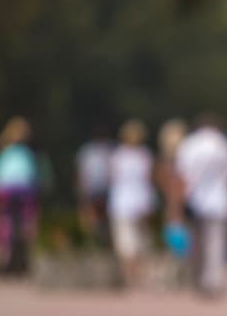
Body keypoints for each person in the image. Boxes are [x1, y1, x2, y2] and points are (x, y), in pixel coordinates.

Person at [176, 113, 227, 296]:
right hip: (220, 199)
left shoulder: (189, 144)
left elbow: (183, 175)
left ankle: (197, 277)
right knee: (216, 242)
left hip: (195, 199)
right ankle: (213, 279)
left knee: (196, 242)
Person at [0, 117, 41, 273]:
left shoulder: (3, 152)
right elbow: (34, 176)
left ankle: (3, 251)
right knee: (28, 221)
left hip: (5, 190)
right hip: (24, 189)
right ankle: (29, 252)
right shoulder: (27, 154)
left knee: (5, 219)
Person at [108, 119, 156, 287]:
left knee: (127, 241)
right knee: (137, 240)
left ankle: (130, 275)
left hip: (124, 202)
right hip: (138, 201)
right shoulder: (144, 155)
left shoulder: (118, 156)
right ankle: (134, 274)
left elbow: (112, 178)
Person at [156, 119, 191, 287]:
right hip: (178, 207)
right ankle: (174, 276)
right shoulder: (170, 165)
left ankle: (176, 276)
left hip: (177, 207)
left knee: (178, 245)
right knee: (178, 245)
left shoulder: (169, 164)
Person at [74, 128, 113, 247]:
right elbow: (81, 172)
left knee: (104, 216)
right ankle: (96, 240)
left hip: (104, 188)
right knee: (93, 216)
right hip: (93, 188)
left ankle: (103, 240)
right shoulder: (88, 151)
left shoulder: (108, 149)